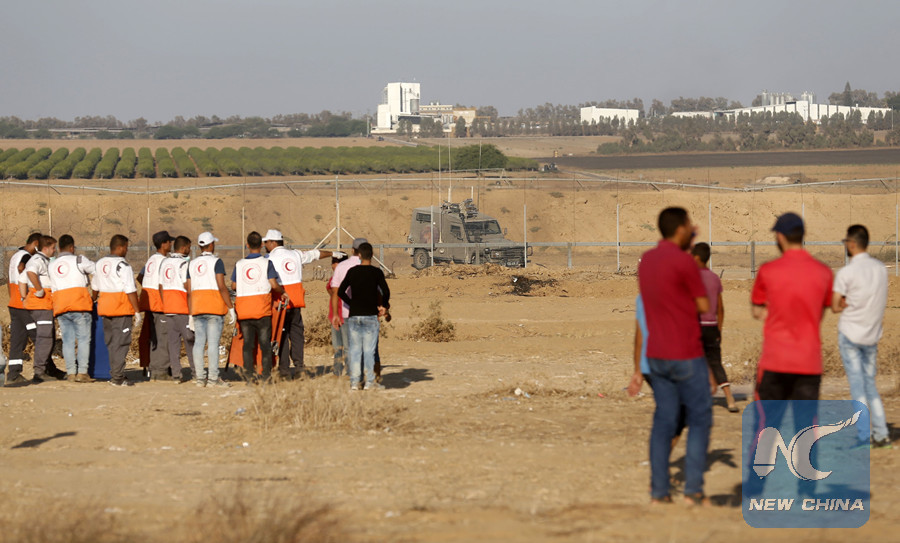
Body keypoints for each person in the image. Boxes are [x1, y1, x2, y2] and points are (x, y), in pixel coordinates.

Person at [637, 207, 711, 505]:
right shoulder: (684, 262)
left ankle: (659, 492)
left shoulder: (647, 261)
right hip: (685, 353)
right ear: (681, 228)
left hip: (656, 354)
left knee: (663, 422)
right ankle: (693, 490)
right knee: (699, 419)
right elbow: (704, 305)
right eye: (689, 225)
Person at [751, 212, 832, 401]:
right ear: (803, 234)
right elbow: (821, 311)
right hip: (808, 362)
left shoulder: (767, 270)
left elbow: (757, 311)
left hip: (775, 361)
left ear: (780, 236)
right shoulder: (824, 272)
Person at [832, 224, 891, 449]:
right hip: (871, 335)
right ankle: (882, 434)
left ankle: (864, 435)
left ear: (852, 244)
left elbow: (835, 305)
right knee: (870, 386)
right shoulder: (880, 269)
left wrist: (847, 302)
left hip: (850, 334)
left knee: (858, 388)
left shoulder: (847, 272)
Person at [262, 229, 334, 380]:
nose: (265, 245)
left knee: (282, 335)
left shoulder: (268, 259)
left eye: (266, 242)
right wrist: (333, 253)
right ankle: (300, 368)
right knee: (296, 335)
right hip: (296, 303)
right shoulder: (295, 254)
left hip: (280, 303)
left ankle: (284, 370)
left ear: (273, 242)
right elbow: (315, 254)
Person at [691, 242, 738, 413]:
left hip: (695, 327)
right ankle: (730, 399)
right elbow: (720, 308)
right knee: (716, 362)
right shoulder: (714, 278)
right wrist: (719, 329)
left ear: (697, 258)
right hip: (712, 327)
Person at [232, 231, 284, 382]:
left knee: (248, 345)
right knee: (265, 345)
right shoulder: (267, 263)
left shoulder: (239, 264)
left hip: (244, 311)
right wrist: (283, 292)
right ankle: (266, 376)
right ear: (261, 245)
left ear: (247, 245)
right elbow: (273, 284)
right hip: (262, 310)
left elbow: (233, 285)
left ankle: (249, 376)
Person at [337, 242, 390, 391]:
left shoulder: (352, 271)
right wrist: (383, 306)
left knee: (355, 351)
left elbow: (341, 291)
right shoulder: (376, 272)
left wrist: (351, 303)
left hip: (354, 316)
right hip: (371, 316)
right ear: (372, 255)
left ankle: (355, 383)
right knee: (369, 351)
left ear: (359, 255)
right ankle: (370, 383)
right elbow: (386, 291)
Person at [186, 232, 235, 388]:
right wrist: (230, 307)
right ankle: (213, 379)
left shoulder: (192, 264)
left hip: (197, 306)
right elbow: (221, 286)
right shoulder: (216, 262)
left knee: (199, 343)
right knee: (213, 344)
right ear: (212, 244)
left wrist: (190, 312)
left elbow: (189, 290)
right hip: (214, 307)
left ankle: (200, 379)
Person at [92, 235, 142, 387]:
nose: (127, 250)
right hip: (121, 309)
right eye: (126, 247)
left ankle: (115, 373)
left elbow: (95, 287)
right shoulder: (123, 266)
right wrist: (137, 311)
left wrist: (93, 300)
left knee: (112, 343)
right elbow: (130, 290)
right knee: (121, 343)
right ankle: (118, 377)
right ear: (120, 247)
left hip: (105, 308)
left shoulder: (100, 263)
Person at [48, 235, 95, 381]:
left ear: (59, 248)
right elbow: (96, 270)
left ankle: (70, 373)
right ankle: (82, 372)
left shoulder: (52, 265)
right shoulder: (79, 260)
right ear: (72, 247)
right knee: (83, 340)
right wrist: (94, 292)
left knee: (67, 341)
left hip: (61, 306)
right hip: (79, 305)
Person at [19, 235, 66, 383]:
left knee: (48, 337)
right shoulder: (37, 260)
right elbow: (30, 273)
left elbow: (21, 279)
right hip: (41, 305)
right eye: (53, 248)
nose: (54, 250)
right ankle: (39, 371)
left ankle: (46, 369)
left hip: (43, 305)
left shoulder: (42, 260)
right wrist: (39, 290)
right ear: (45, 248)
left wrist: (23, 297)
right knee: (44, 339)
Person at [5, 232, 42, 387]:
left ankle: (13, 374)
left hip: (14, 304)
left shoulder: (15, 255)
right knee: (40, 336)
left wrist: (13, 297)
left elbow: (9, 279)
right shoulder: (26, 257)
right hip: (23, 305)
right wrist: (25, 295)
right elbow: (22, 270)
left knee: (17, 340)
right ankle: (45, 370)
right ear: (35, 244)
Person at [138, 230, 174, 380]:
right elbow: (162, 284)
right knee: (162, 337)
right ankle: (160, 371)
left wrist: (149, 287)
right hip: (159, 304)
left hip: (149, 303)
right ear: (163, 244)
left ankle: (154, 368)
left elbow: (140, 277)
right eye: (169, 241)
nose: (171, 244)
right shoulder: (164, 261)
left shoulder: (151, 260)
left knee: (154, 338)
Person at [160, 235, 194, 382]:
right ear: (183, 247)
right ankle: (196, 372)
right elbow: (187, 285)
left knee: (173, 344)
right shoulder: (184, 264)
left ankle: (176, 374)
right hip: (182, 307)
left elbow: (161, 285)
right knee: (190, 342)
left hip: (168, 308)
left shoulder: (164, 263)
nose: (190, 250)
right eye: (189, 247)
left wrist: (165, 303)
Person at [326, 253, 349, 377]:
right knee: (337, 347)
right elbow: (330, 291)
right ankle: (337, 371)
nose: (334, 265)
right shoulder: (333, 279)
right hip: (335, 316)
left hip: (345, 316)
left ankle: (350, 372)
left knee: (347, 346)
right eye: (333, 263)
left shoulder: (348, 277)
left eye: (336, 263)